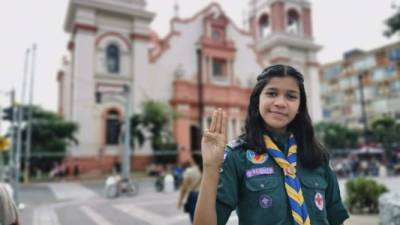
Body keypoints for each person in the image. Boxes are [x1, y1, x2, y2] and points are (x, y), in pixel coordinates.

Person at [194, 65, 349, 225]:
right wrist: (211, 167)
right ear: (257, 100)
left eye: (291, 96)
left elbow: (335, 218)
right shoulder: (237, 156)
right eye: (272, 93)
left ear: (299, 107)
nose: (280, 103)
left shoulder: (317, 155)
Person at [178, 153, 203, 223]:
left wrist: (180, 201)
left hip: (193, 196)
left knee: (194, 220)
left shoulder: (189, 171)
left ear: (193, 160)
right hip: (204, 195)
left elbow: (184, 188)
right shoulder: (204, 170)